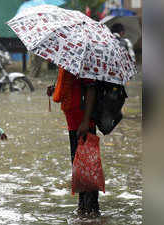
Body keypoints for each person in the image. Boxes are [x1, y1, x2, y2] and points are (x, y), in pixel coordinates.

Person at [47, 67, 100, 217]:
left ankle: (91, 210)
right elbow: (72, 88)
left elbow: (91, 89)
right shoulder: (69, 63)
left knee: (87, 169)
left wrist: (85, 122)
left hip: (83, 125)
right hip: (74, 124)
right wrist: (56, 89)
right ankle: (83, 210)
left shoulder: (83, 65)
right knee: (78, 167)